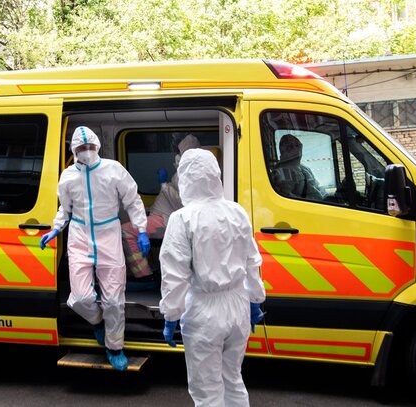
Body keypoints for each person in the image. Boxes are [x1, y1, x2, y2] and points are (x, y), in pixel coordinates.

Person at [159, 148, 266, 406]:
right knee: (233, 378)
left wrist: (171, 315)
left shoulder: (182, 218)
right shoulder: (237, 211)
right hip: (238, 306)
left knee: (207, 390)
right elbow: (252, 260)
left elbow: (175, 274)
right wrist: (255, 299)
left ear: (184, 178)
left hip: (204, 312)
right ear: (215, 175)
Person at [39, 126, 149, 371]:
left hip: (108, 234)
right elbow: (65, 208)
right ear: (74, 150)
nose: (87, 151)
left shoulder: (113, 170)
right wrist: (56, 228)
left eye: (90, 146)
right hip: (79, 236)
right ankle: (98, 322)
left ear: (97, 146)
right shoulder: (68, 176)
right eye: (81, 148)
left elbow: (133, 199)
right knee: (80, 298)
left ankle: (115, 347)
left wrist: (141, 228)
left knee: (114, 300)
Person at [121, 134, 201, 279]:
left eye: (179, 152)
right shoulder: (183, 172)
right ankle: (151, 268)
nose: (176, 156)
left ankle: (144, 275)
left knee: (125, 231)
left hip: (165, 220)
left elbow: (183, 203)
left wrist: (164, 185)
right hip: (161, 215)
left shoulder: (189, 174)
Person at [272, 134, 325, 200]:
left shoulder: (304, 168)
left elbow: (317, 187)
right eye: (291, 147)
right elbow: (287, 198)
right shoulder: (284, 171)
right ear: (284, 151)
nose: (297, 149)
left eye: (298, 145)